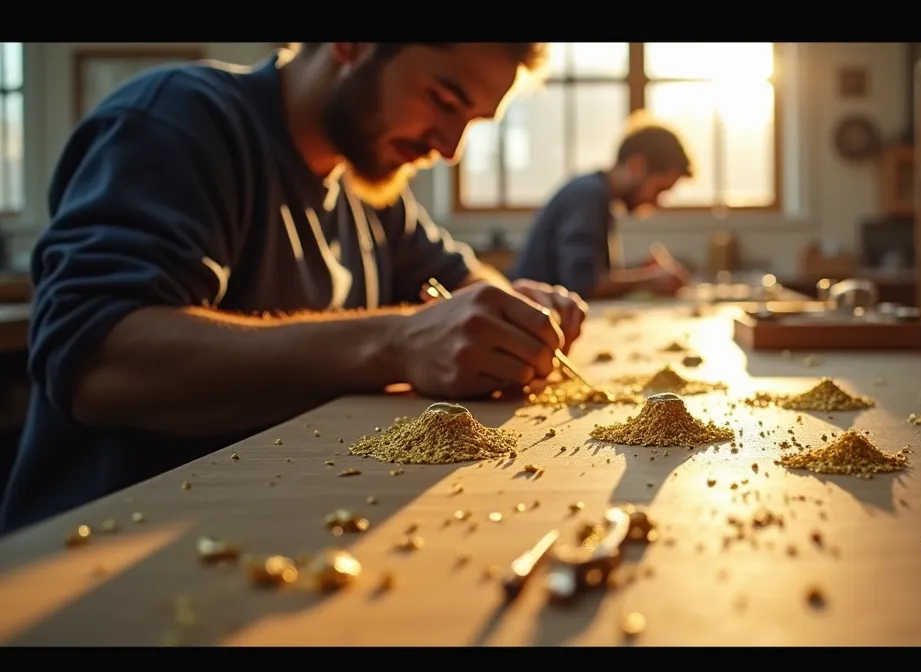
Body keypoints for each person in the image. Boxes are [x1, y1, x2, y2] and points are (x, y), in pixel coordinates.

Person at [0, 42, 591, 535]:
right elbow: (94, 360)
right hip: (105, 552)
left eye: (471, 123)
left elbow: (467, 281)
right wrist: (395, 344)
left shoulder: (370, 188)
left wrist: (515, 311)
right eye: (443, 100)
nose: (448, 147)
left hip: (282, 523)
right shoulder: (180, 120)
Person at [510, 114, 694, 300]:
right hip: (533, 317)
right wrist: (648, 278)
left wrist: (641, 270)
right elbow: (583, 285)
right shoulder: (588, 196)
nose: (656, 202)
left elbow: (591, 274)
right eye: (659, 189)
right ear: (637, 166)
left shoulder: (598, 195)